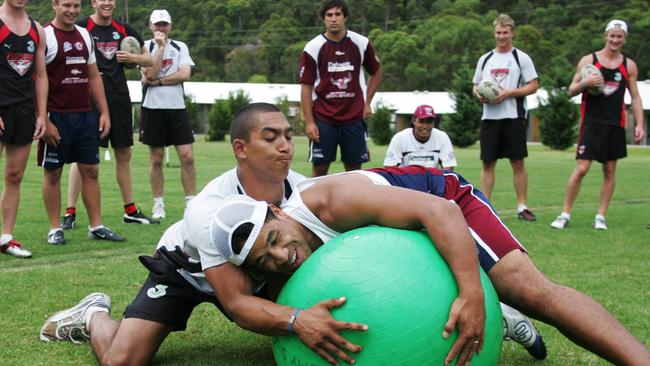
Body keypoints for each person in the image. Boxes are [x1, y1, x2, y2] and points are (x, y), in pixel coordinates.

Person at [215, 166, 650, 366]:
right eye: (263, 261)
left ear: (277, 211)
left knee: (528, 291)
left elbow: (440, 213)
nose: (280, 257)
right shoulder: (280, 273)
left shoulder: (328, 202)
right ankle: (501, 312)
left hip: (442, 200)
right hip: (402, 254)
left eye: (274, 239)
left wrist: (474, 293)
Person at [61, 0, 157, 230]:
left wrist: (132, 59)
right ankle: (70, 212)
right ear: (93, 2)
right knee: (82, 157)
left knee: (123, 153)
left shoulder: (124, 30)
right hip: (88, 100)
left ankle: (130, 210)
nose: (107, 3)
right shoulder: (82, 27)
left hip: (119, 98)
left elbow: (149, 59)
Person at [40, 0, 124, 244]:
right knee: (53, 173)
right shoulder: (46, 35)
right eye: (66, 5)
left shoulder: (85, 35)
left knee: (91, 170)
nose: (72, 11)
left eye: (76, 6)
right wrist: (44, 118)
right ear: (55, 5)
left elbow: (93, 76)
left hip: (85, 115)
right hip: (56, 116)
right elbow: (38, 77)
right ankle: (55, 228)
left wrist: (104, 112)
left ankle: (96, 225)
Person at [550, 19, 645, 230]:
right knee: (582, 168)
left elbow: (636, 97)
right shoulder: (589, 60)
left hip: (615, 123)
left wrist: (639, 124)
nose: (615, 40)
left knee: (610, 170)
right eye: (612, 35)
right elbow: (571, 90)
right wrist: (586, 83)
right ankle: (565, 214)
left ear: (624, 39)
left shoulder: (628, 65)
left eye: (619, 36)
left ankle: (600, 217)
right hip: (591, 122)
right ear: (606, 36)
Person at [300, 0, 382, 177]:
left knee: (354, 170)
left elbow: (376, 71)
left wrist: (368, 103)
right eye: (329, 15)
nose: (334, 19)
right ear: (324, 19)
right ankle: (314, 205)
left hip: (354, 118)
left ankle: (354, 205)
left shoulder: (361, 42)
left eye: (338, 14)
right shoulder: (313, 47)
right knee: (320, 168)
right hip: (323, 118)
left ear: (345, 17)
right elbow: (306, 86)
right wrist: (309, 122)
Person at [473, 13, 539, 221]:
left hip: (514, 117)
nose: (501, 36)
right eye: (498, 33)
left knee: (517, 162)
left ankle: (522, 207)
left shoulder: (521, 58)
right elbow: (476, 85)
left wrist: (509, 93)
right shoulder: (485, 59)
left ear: (512, 33)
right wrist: (478, 94)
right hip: (490, 118)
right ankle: (486, 206)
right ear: (494, 33)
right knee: (487, 163)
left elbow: (534, 85)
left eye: (505, 33)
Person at [0, 0, 47, 258]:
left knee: (15, 175)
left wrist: (41, 114)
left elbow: (40, 74)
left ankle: (6, 237)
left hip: (24, 110)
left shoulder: (36, 29)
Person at [140, 9, 196, 220]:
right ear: (151, 26)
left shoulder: (181, 46)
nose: (161, 28)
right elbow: (150, 73)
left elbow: (185, 74)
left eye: (164, 24)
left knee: (187, 157)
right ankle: (158, 204)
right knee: (156, 158)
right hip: (153, 108)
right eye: (157, 25)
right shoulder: (145, 46)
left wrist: (160, 81)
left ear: (170, 26)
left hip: (177, 107)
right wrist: (160, 48)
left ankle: (191, 202)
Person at [384, 104, 457, 170]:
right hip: (405, 182)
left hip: (432, 181)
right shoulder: (399, 138)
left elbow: (448, 167)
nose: (425, 126)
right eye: (421, 121)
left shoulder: (442, 137)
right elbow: (390, 167)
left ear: (434, 123)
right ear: (413, 120)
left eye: (429, 122)